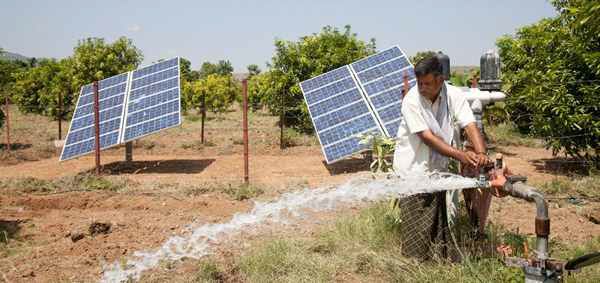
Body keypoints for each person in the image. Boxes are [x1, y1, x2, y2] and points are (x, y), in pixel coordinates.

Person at [393, 56, 502, 261]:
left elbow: (469, 125)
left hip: (438, 169)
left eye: (428, 83)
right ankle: (413, 264)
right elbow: (427, 138)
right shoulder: (411, 101)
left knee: (436, 221)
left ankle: (435, 263)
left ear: (440, 80)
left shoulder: (453, 95)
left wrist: (481, 154)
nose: (422, 88)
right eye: (419, 83)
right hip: (413, 170)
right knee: (417, 222)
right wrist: (462, 156)